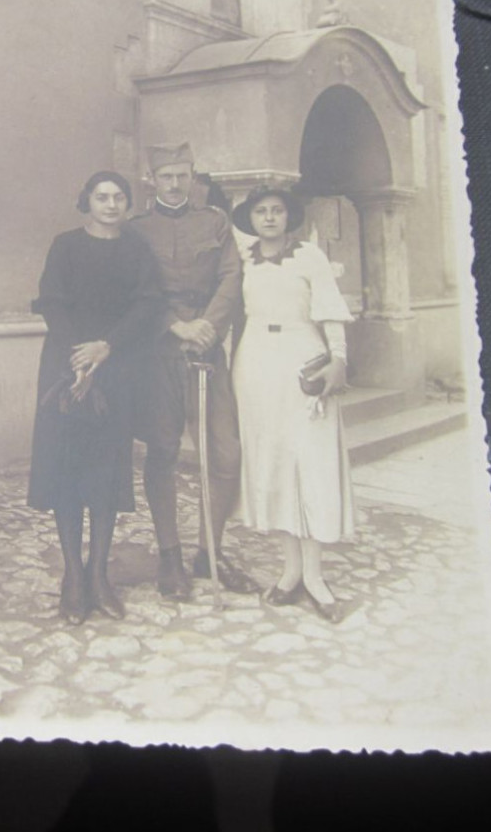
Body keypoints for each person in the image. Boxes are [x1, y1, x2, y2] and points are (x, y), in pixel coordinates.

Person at [28, 171, 163, 625]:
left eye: (118, 197)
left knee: (106, 476)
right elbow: (52, 302)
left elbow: (148, 304)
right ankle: (72, 577)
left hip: (116, 368)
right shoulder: (64, 245)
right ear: (86, 201)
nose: (110, 204)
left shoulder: (136, 248)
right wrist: (78, 360)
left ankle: (99, 576)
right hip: (64, 370)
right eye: (102, 197)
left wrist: (107, 348)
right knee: (67, 472)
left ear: (127, 204)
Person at [128, 144, 259, 599]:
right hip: (160, 352)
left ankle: (209, 549)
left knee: (225, 453)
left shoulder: (215, 222)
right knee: (162, 450)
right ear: (152, 179)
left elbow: (231, 276)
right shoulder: (137, 230)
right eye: (166, 176)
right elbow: (136, 287)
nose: (175, 184)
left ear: (192, 176)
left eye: (182, 176)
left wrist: (208, 326)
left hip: (206, 348)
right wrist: (175, 326)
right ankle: (170, 557)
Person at [229, 187, 354, 620]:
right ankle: (289, 571)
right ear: (250, 218)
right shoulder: (241, 259)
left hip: (303, 356)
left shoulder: (309, 257)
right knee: (275, 460)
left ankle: (316, 578)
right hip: (255, 363)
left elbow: (329, 310)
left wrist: (337, 359)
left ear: (288, 216)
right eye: (260, 211)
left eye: (276, 211)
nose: (268, 218)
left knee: (310, 461)